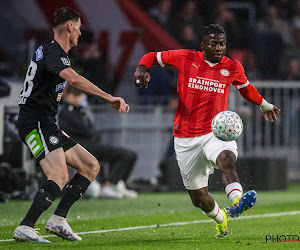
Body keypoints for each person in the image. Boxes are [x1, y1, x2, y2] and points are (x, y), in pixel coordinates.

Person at [133, 24, 280, 238]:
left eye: (222, 43)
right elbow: (152, 56)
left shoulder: (232, 66)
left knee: (227, 160)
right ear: (203, 45)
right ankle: (221, 218)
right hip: (185, 137)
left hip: (216, 131)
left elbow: (246, 88)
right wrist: (141, 68)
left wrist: (264, 104)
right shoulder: (186, 57)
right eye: (214, 43)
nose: (219, 47)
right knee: (199, 198)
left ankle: (237, 202)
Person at [14, 7, 129, 243]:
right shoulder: (53, 52)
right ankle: (25, 226)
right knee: (58, 174)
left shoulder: (52, 52)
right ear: (69, 27)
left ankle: (58, 220)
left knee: (90, 166)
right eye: (77, 28)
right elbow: (74, 79)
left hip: (45, 121)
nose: (79, 34)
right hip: (35, 121)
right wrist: (110, 98)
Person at [58, 84, 137, 199]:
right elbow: (85, 130)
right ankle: (109, 186)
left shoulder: (80, 110)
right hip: (81, 148)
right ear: (70, 96)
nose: (81, 98)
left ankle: (116, 184)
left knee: (129, 155)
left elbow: (89, 128)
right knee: (124, 155)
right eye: (78, 95)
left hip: (91, 145)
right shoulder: (66, 112)